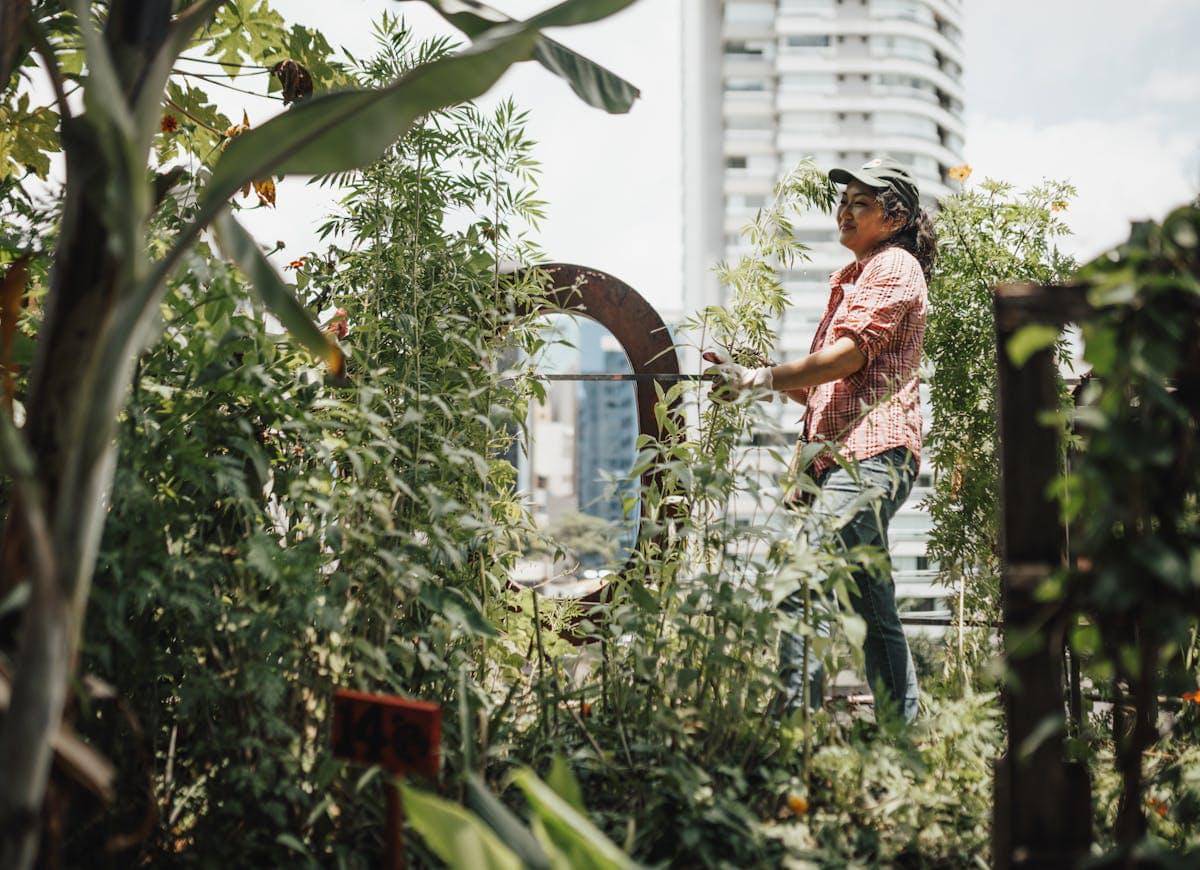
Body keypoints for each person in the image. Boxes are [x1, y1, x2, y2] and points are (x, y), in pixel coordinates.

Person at [704, 156, 936, 723]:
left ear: (895, 217)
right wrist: (752, 374)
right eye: (843, 202)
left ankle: (791, 726)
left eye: (862, 203)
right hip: (847, 459)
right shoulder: (857, 276)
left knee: (802, 577)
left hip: (870, 456)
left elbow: (848, 356)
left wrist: (759, 379)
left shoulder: (894, 265)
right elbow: (821, 389)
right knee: (871, 606)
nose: (844, 213)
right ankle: (902, 739)